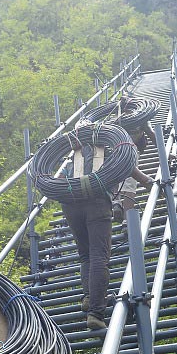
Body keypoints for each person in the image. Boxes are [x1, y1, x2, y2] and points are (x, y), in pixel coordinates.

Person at [61, 131, 155, 331]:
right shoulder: (109, 147)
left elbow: (58, 179)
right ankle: (95, 312)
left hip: (70, 204)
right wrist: (148, 182)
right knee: (99, 256)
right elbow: (128, 167)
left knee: (85, 255)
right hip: (96, 201)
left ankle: (88, 297)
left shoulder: (72, 152)